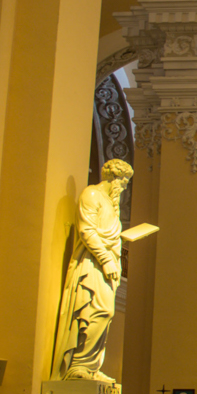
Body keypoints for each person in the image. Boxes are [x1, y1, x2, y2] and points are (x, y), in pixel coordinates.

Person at [55, 160, 133, 382]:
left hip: (109, 265)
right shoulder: (91, 195)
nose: (125, 187)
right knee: (94, 310)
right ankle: (78, 365)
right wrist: (106, 259)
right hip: (93, 263)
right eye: (124, 181)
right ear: (113, 177)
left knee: (106, 313)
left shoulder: (111, 203)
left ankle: (91, 366)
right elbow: (87, 230)